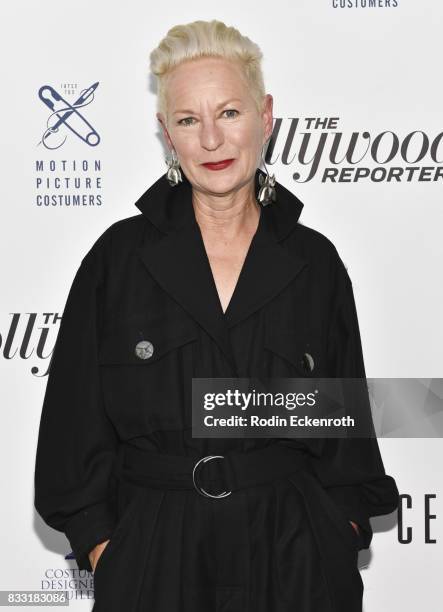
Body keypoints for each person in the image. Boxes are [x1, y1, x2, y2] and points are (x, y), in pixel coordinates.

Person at [34, 19, 399, 612]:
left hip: (296, 555)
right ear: (166, 134)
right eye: (187, 120)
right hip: (156, 556)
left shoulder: (315, 263)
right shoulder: (117, 260)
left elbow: (345, 436)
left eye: (229, 113)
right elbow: (72, 433)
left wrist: (340, 532)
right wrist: (110, 551)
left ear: (266, 117)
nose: (211, 139)